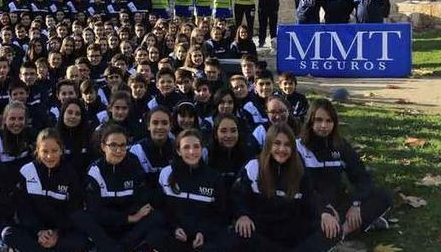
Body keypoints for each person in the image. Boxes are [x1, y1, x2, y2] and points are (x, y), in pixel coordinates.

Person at [232, 124, 341, 252]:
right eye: (277, 143)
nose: (282, 149)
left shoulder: (299, 169)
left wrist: (324, 213)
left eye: (287, 144)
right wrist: (242, 215)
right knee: (239, 233)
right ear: (268, 145)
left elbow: (310, 197)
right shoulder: (253, 167)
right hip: (262, 230)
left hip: (291, 231)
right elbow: (237, 196)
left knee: (332, 229)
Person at [298, 99, 392, 236]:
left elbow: (362, 177)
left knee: (383, 197)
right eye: (318, 120)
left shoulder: (340, 145)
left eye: (329, 121)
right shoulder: (298, 147)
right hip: (312, 207)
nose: (324, 126)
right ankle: (357, 226)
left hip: (340, 205)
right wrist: (324, 210)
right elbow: (300, 188)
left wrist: (356, 204)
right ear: (310, 121)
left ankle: (342, 233)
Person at [1, 129, 91, 252]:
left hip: (59, 233)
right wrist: (39, 231)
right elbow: (23, 209)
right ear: (37, 150)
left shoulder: (70, 173)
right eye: (45, 151)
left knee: (82, 241)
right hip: (35, 232)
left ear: (61, 150)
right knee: (8, 234)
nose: (50, 156)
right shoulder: (27, 171)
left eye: (54, 151)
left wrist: (56, 233)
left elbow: (74, 209)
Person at [81, 124, 167, 252]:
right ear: (104, 146)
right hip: (107, 226)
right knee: (83, 218)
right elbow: (96, 210)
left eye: (123, 145)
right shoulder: (95, 170)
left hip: (130, 227)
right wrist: (127, 218)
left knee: (157, 217)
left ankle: (120, 248)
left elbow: (141, 199)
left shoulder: (133, 165)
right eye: (113, 145)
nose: (118, 150)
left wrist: (131, 216)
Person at [158, 129, 230, 252]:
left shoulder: (214, 178)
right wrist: (174, 228)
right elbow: (162, 209)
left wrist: (203, 233)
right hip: (175, 237)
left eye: (196, 146)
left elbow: (220, 214)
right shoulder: (166, 173)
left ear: (202, 149)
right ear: (178, 151)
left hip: (204, 239)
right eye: (186, 147)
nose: (192, 152)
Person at [0, 101, 34, 171]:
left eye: (21, 118)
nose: (17, 123)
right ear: (5, 120)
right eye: (12, 119)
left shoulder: (31, 135)